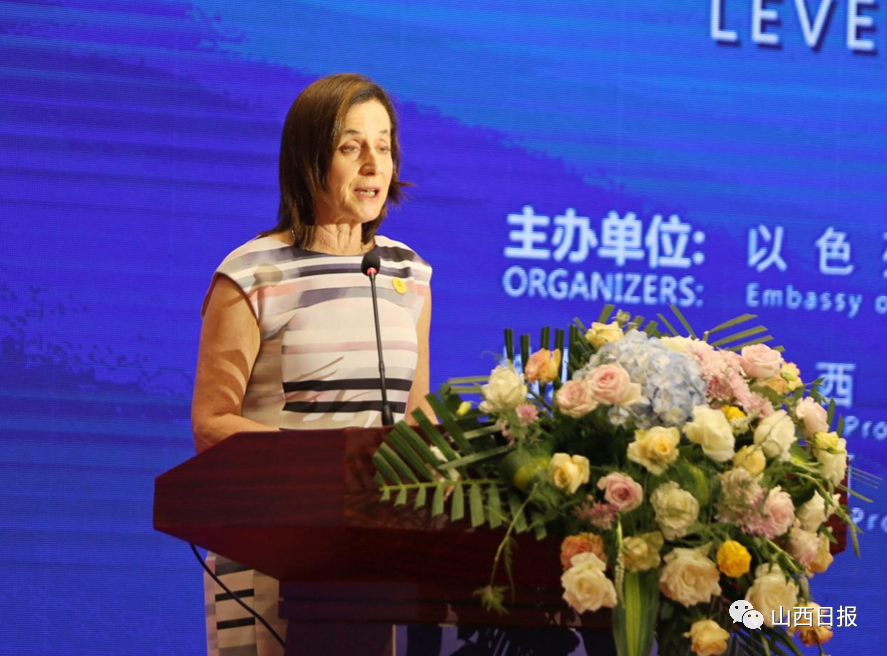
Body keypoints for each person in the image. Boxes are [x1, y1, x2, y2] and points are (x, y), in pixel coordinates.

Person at [191, 73, 433, 656]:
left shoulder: (408, 273)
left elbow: (417, 416)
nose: (374, 164)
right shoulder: (251, 274)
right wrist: (326, 468)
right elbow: (211, 423)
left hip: (371, 550)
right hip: (268, 541)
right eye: (351, 147)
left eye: (384, 146)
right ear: (309, 158)